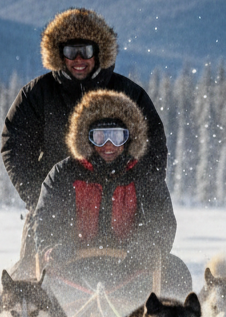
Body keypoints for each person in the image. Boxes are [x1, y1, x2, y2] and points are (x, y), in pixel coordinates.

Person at [2, 8, 168, 270]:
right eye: (70, 52)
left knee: (141, 278)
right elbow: (15, 147)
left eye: (86, 51)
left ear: (99, 52)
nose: (78, 59)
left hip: (121, 204)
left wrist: (145, 188)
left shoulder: (127, 92)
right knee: (28, 278)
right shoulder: (37, 94)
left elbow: (153, 144)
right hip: (57, 210)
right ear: (58, 54)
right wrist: (40, 196)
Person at [31, 89, 191, 300]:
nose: (108, 145)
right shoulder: (63, 174)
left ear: (128, 138)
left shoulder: (144, 174)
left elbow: (162, 222)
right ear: (86, 139)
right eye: (99, 136)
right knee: (22, 275)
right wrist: (52, 248)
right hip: (74, 268)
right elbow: (45, 222)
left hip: (130, 269)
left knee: (177, 270)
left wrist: (149, 246)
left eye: (117, 136)